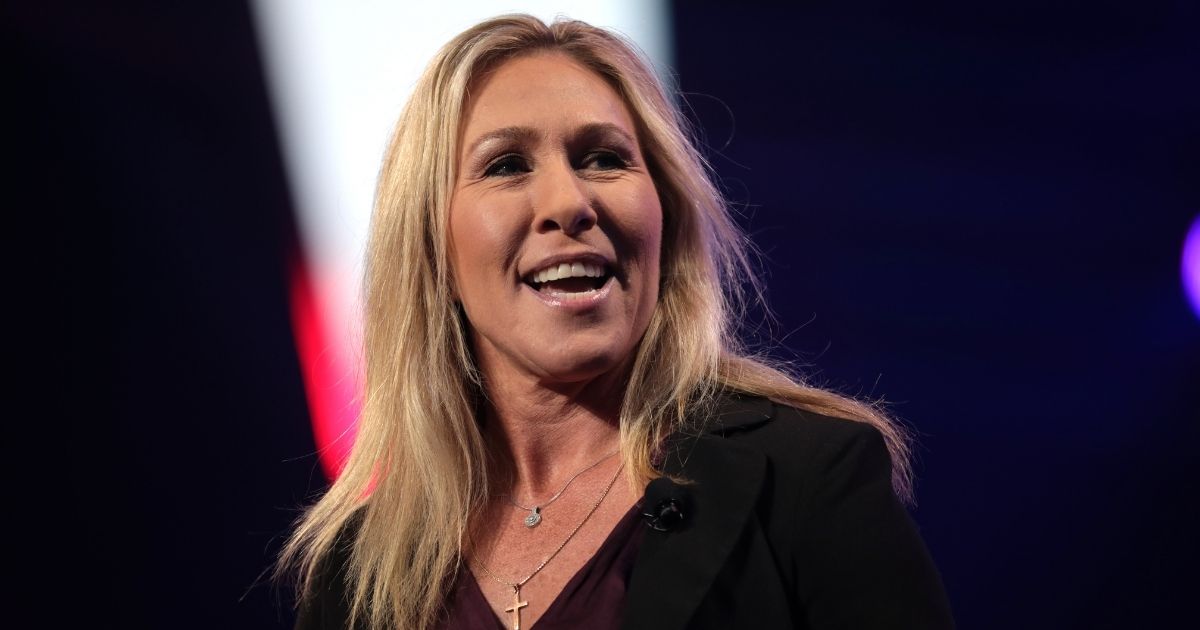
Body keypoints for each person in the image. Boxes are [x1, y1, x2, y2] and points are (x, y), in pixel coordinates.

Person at [282, 14, 954, 630]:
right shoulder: (357, 572)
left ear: (666, 214)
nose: (568, 202)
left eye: (603, 158)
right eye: (507, 166)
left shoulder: (807, 478)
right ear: (432, 247)